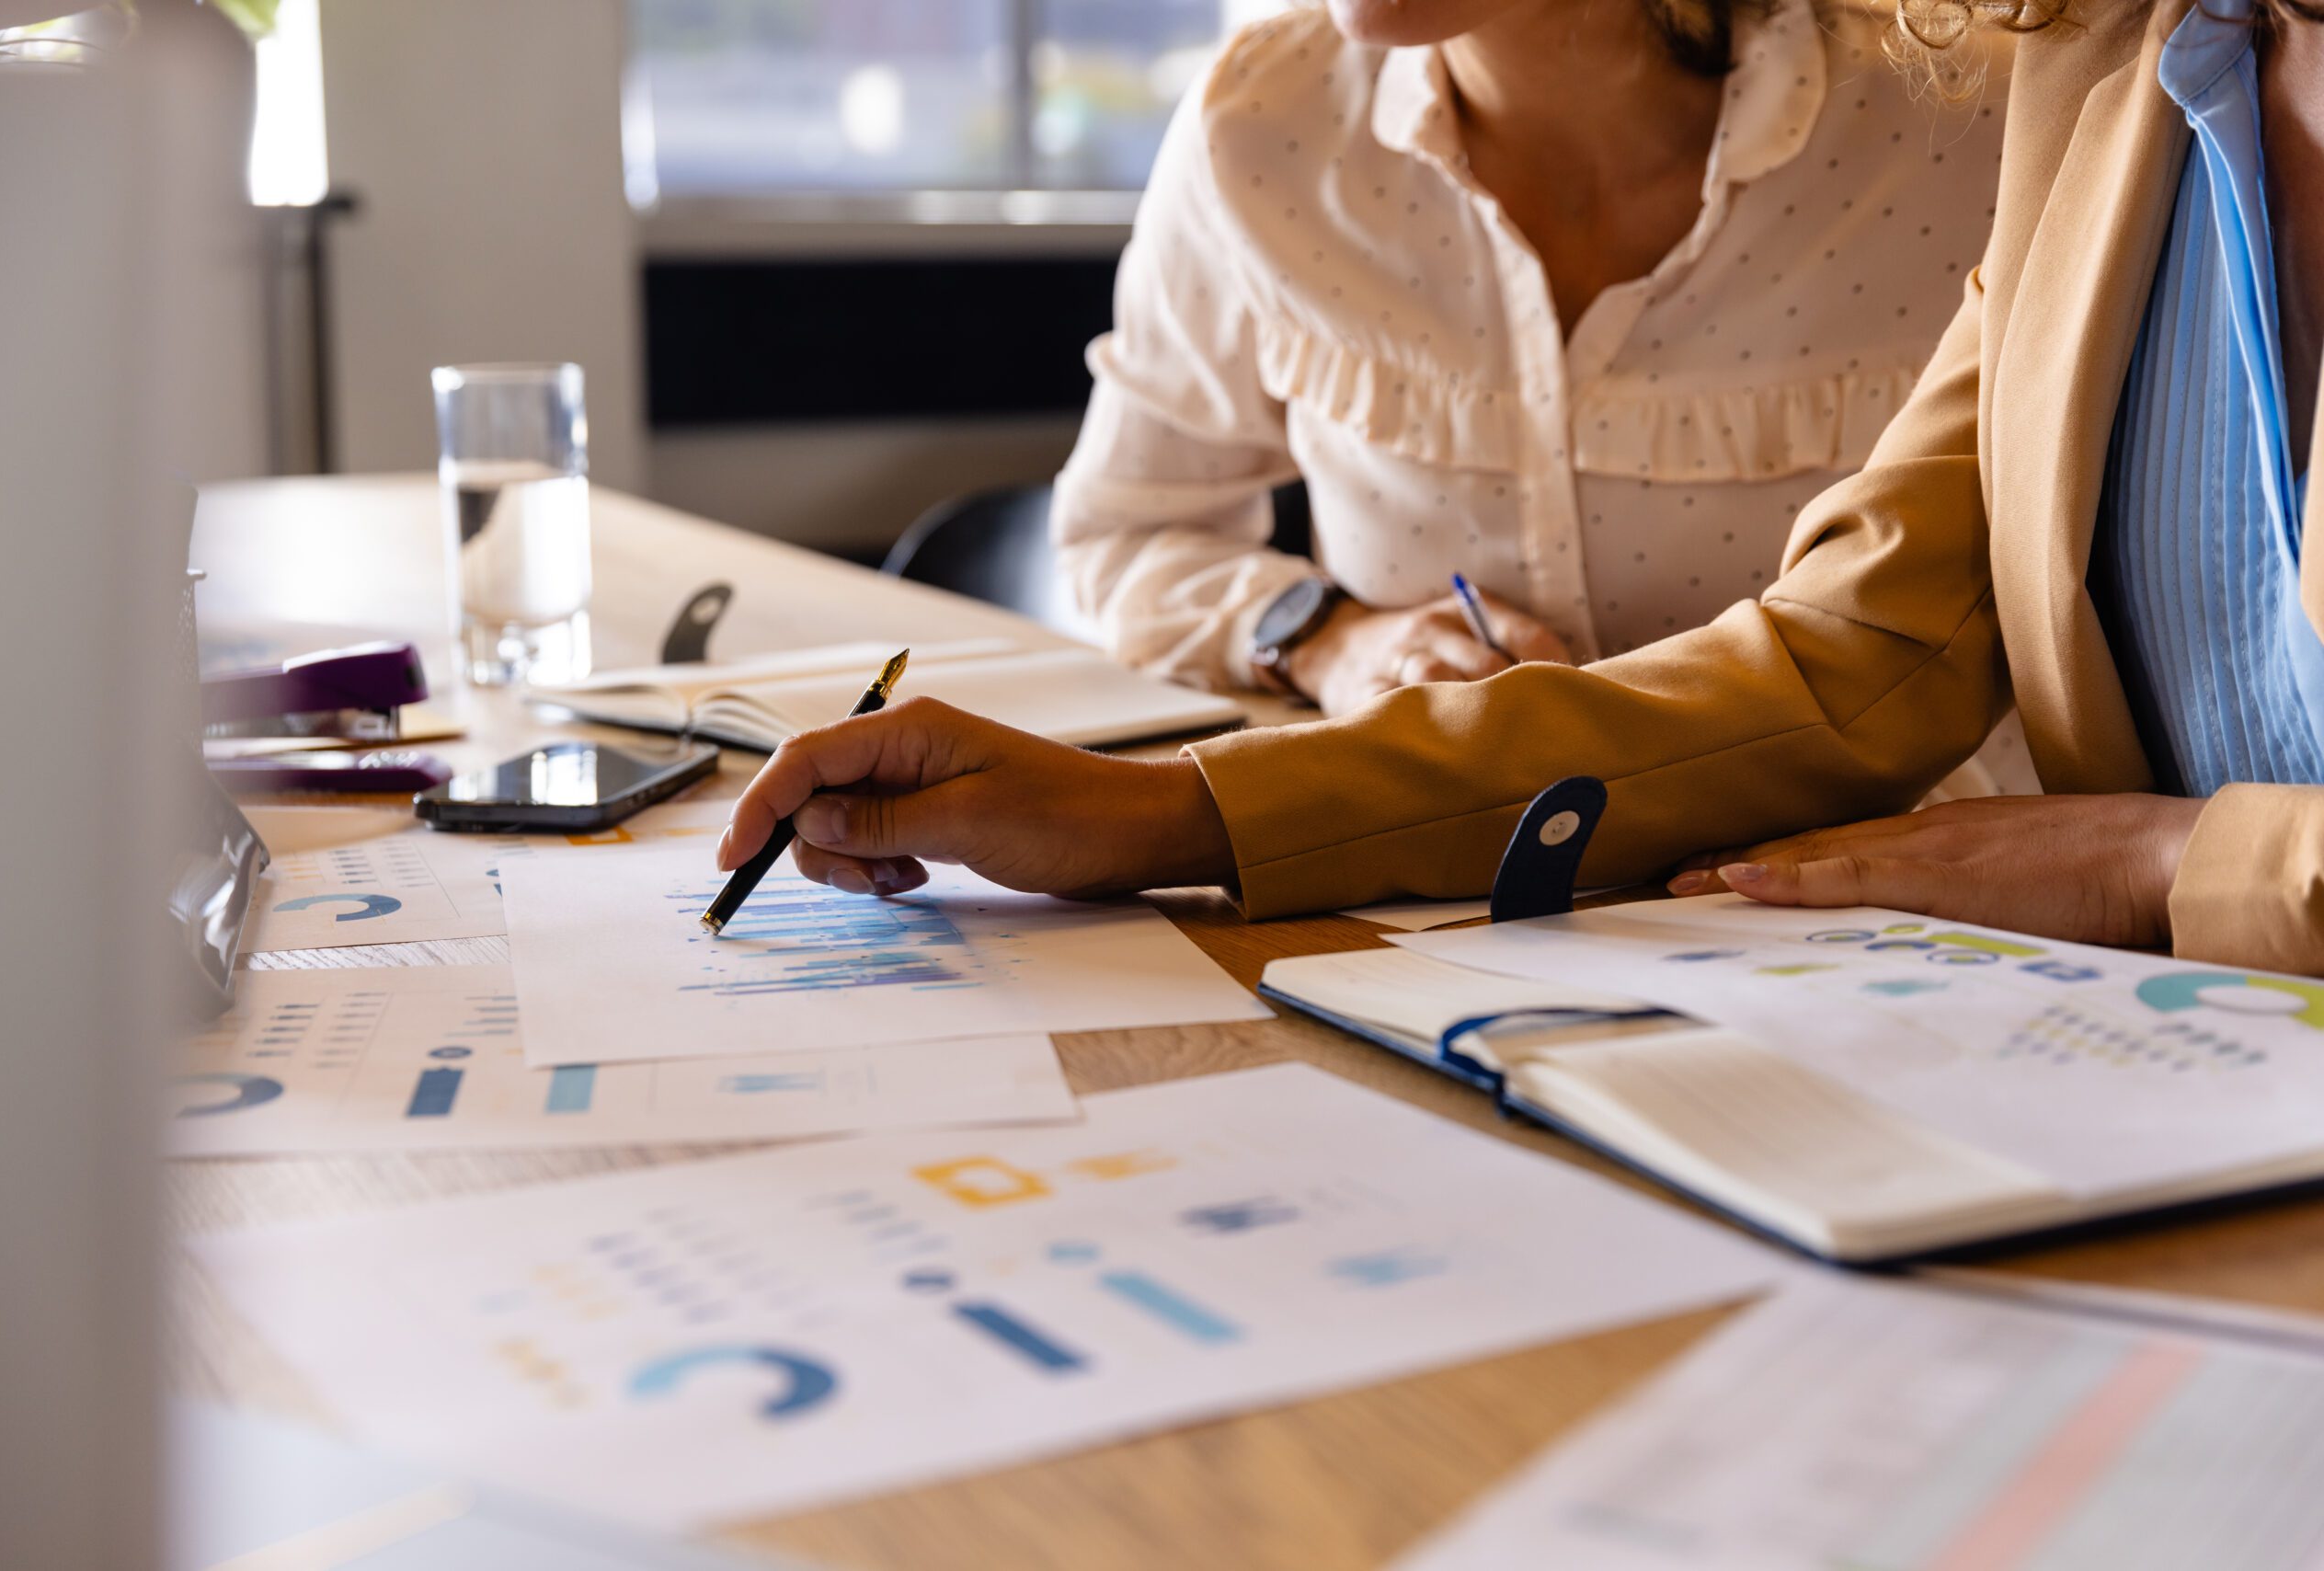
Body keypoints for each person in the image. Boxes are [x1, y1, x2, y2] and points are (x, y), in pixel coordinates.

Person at [718, 0, 2324, 976]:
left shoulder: (1959, 109)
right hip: (2103, 1049)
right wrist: (1159, 809)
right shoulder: (2109, 75)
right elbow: (1848, 660)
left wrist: (2170, 860)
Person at [1052, 0, 2019, 742]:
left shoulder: (1977, 123)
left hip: (1891, 918)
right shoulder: (1263, 125)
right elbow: (1126, 536)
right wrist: (1329, 638)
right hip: (1437, 909)